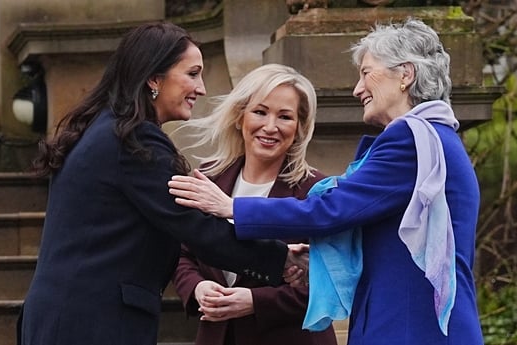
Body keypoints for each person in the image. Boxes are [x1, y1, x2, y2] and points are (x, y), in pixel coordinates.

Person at [168, 18, 484, 345]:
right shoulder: (435, 139)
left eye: (365, 72)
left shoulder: (412, 139)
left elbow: (331, 210)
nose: (357, 89)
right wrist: (312, 258)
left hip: (409, 329)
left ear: (405, 74)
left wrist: (231, 206)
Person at [17, 21, 307, 345]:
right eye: (193, 73)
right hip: (92, 324)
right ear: (154, 78)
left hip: (70, 318)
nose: (202, 88)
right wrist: (282, 260)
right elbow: (196, 227)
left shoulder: (104, 129)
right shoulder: (133, 141)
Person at [171, 63, 338, 345]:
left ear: (299, 128)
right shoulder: (208, 178)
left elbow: (332, 280)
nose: (270, 127)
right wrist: (197, 287)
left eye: (285, 117)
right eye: (260, 112)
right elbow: (181, 253)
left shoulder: (318, 190)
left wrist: (255, 301)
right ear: (240, 117)